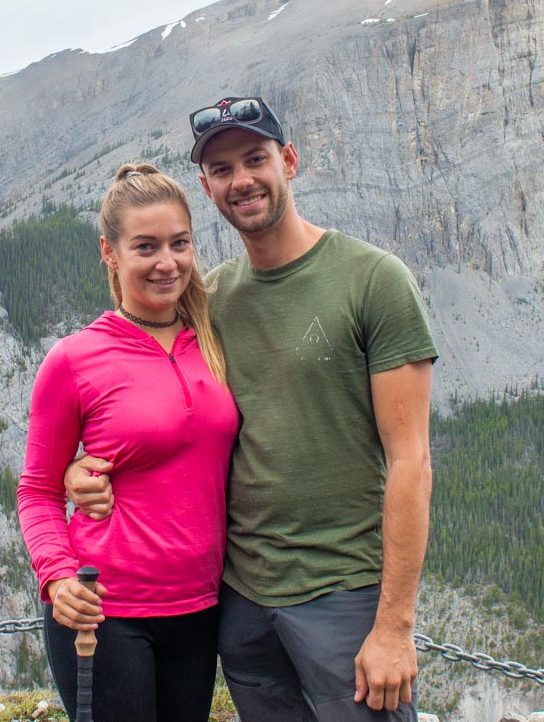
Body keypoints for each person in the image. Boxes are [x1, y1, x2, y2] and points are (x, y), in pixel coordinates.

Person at [67, 97, 437, 721]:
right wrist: (84, 468)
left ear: (289, 161)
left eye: (255, 158)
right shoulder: (209, 301)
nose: (241, 179)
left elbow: (411, 461)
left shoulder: (374, 281)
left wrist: (395, 625)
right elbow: (158, 411)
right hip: (241, 602)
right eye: (221, 168)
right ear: (208, 188)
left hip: (342, 594)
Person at [17, 163, 239, 722]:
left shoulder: (213, 336)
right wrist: (57, 574)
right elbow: (38, 491)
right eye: (146, 246)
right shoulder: (73, 360)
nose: (167, 263)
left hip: (201, 608)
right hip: (106, 614)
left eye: (179, 243)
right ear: (110, 253)